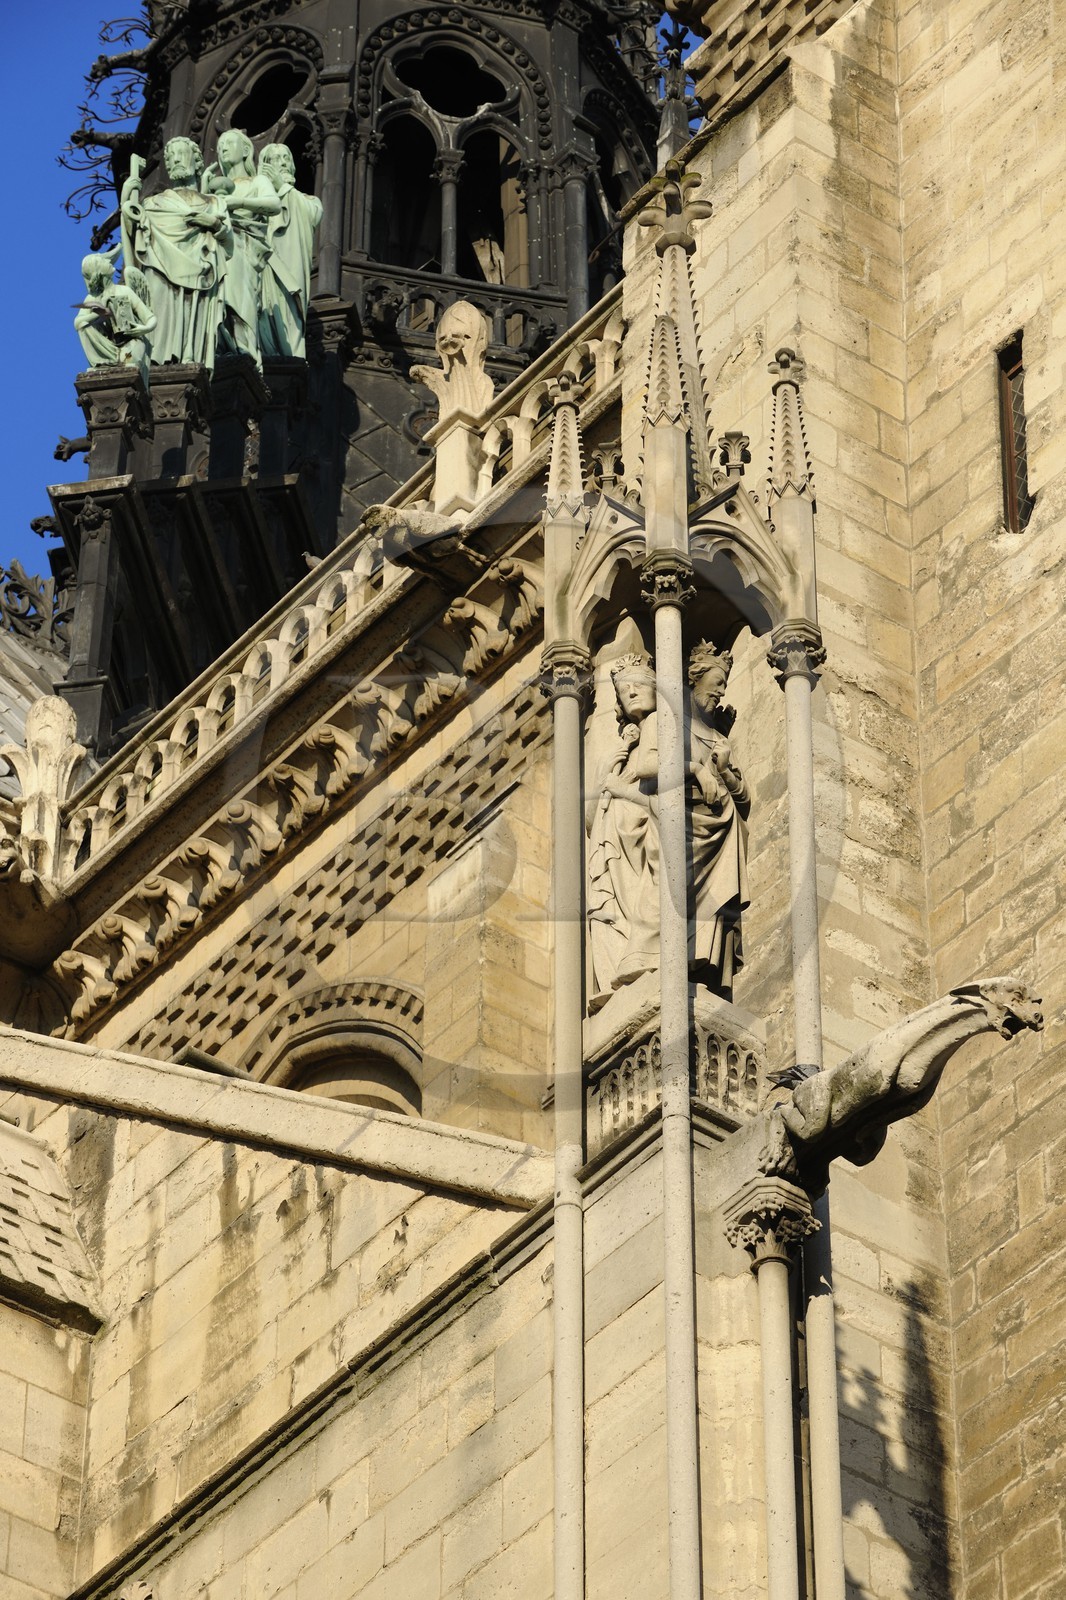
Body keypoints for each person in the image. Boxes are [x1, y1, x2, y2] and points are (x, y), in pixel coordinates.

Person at [586, 652, 660, 1009]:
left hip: (642, 834)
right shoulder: (621, 749)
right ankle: (615, 969)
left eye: (638, 683)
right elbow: (589, 814)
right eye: (622, 688)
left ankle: (645, 958)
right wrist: (620, 751)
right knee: (606, 908)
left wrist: (622, 788)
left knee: (643, 898)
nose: (630, 691)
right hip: (609, 840)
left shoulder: (663, 726)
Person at [120, 139, 231, 369]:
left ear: (197, 162)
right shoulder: (153, 203)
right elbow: (133, 237)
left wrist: (213, 223)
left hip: (201, 273)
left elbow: (228, 244)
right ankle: (154, 366)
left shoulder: (214, 203)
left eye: (182, 153)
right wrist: (126, 201)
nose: (177, 159)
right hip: (159, 268)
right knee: (158, 323)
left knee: (191, 329)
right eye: (171, 157)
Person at [687, 639, 750, 995]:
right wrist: (696, 769)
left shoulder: (718, 737)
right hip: (689, 833)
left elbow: (744, 797)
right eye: (717, 682)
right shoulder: (672, 725)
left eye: (725, 684)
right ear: (695, 679)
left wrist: (725, 771)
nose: (721, 691)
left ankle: (708, 970)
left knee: (717, 912)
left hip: (722, 837)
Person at [202, 129, 281, 365]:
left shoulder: (257, 181)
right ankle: (218, 347)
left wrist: (238, 202)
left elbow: (274, 204)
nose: (223, 148)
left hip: (243, 248)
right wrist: (205, 192)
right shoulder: (216, 187)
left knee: (239, 299)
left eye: (229, 143)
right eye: (220, 145)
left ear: (246, 150)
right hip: (218, 247)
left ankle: (246, 352)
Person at [257, 143, 323, 359]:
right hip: (261, 273)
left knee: (289, 317)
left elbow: (313, 215)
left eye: (287, 158)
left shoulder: (308, 201)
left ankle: (291, 359)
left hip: (290, 275)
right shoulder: (254, 203)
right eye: (277, 159)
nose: (283, 163)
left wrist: (281, 187)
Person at [74, 249, 156, 386]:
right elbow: (77, 323)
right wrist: (98, 313)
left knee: (130, 363)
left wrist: (144, 328)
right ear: (99, 271)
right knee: (83, 326)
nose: (109, 262)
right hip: (108, 347)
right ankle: (104, 361)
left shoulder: (125, 291)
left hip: (131, 343)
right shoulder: (92, 298)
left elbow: (151, 318)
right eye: (105, 261)